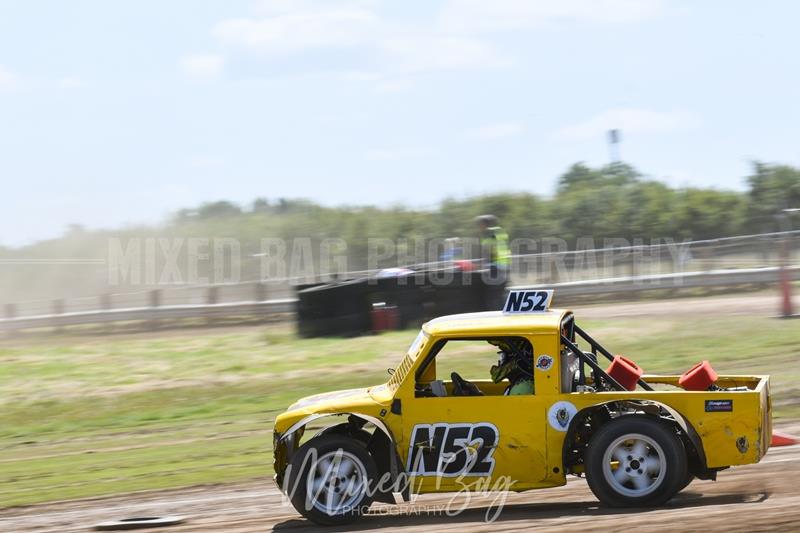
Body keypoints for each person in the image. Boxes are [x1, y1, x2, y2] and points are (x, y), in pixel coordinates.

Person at [475, 214, 511, 307]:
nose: (479, 227)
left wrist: (483, 264)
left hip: (496, 267)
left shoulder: (489, 234)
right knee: (500, 293)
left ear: (485, 224)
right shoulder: (500, 231)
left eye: (480, 224)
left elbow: (489, 251)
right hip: (505, 266)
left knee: (494, 296)